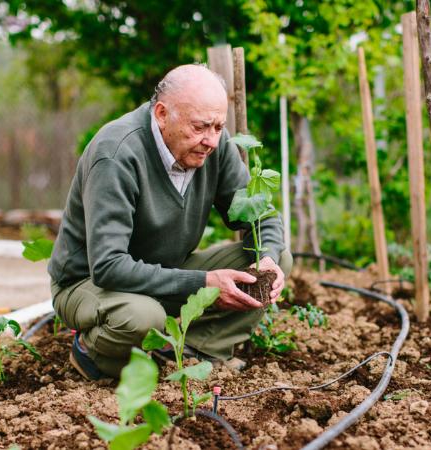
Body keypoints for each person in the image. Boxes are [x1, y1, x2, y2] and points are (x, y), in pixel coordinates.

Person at [48, 64, 292, 380]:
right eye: (201, 127)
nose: (212, 140)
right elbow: (108, 266)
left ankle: (191, 350)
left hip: (166, 270)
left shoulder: (213, 147)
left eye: (218, 127)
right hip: (90, 283)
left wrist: (268, 258)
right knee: (141, 316)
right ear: (162, 114)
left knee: (271, 261)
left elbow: (261, 218)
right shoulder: (117, 155)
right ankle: (93, 355)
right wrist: (206, 283)